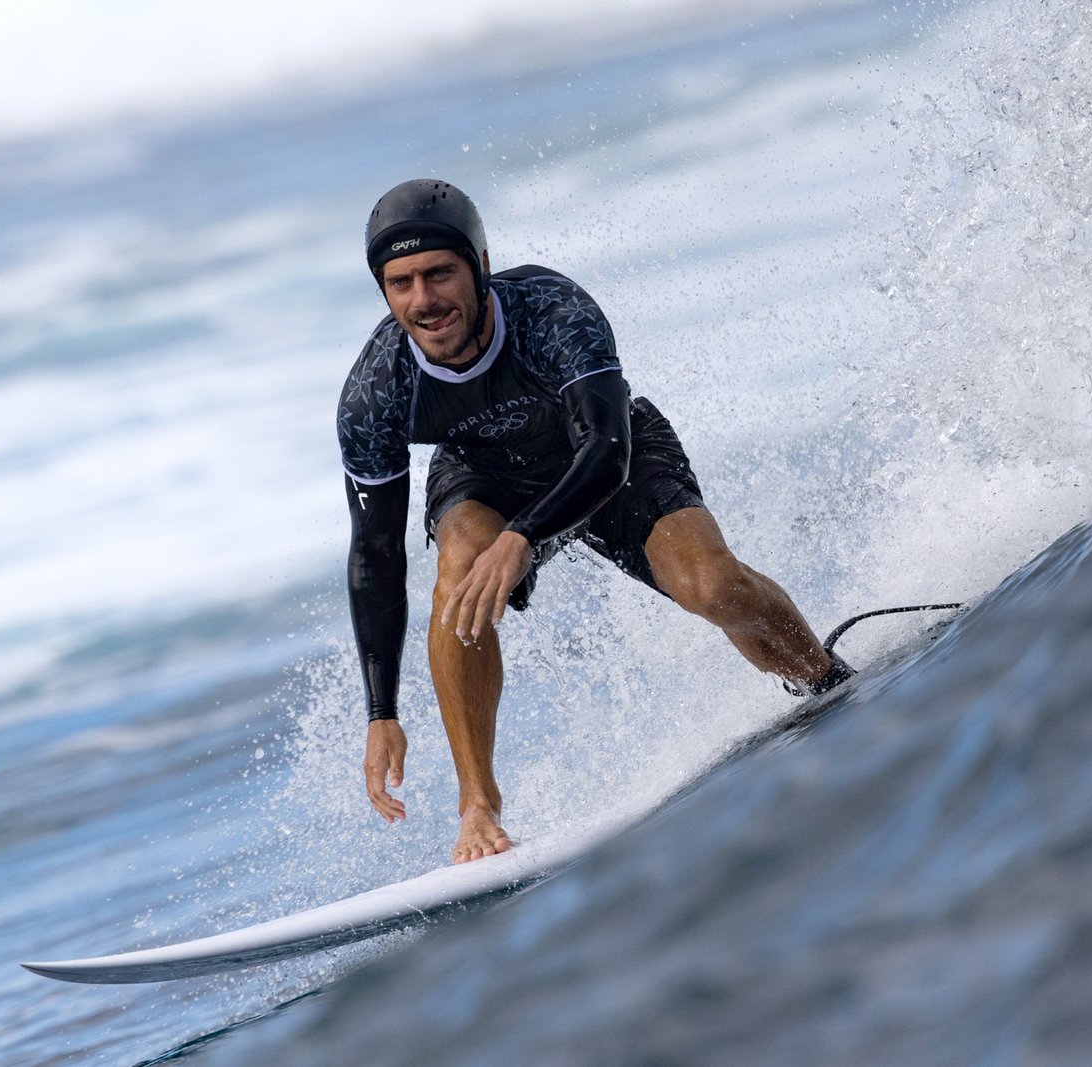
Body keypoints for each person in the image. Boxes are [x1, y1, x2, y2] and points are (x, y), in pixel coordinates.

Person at [339, 178, 853, 864]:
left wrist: (524, 537)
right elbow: (375, 554)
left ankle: (826, 680)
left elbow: (606, 452)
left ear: (480, 267)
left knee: (712, 588)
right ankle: (479, 811)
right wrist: (381, 712)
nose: (423, 300)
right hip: (485, 476)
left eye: (440, 274)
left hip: (607, 457)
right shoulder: (376, 390)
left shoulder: (552, 311)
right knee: (459, 560)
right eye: (401, 283)